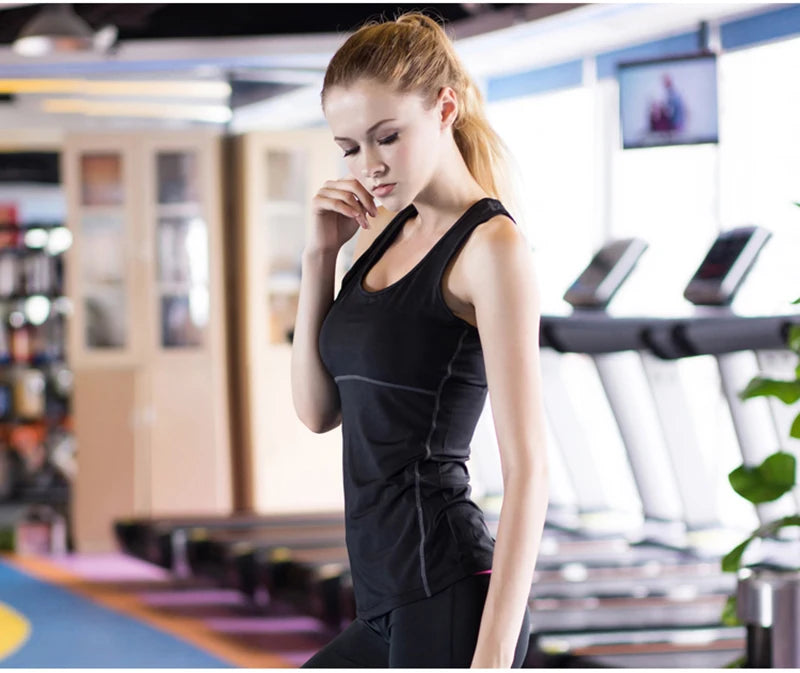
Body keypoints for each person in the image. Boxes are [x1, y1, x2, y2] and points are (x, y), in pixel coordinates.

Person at [291, 11, 549, 668]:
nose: (370, 166)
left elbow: (528, 470)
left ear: (444, 108)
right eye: (350, 148)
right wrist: (319, 256)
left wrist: (491, 657)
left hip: (449, 596)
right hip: (381, 602)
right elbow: (317, 411)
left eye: (387, 137)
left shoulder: (491, 246)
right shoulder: (375, 238)